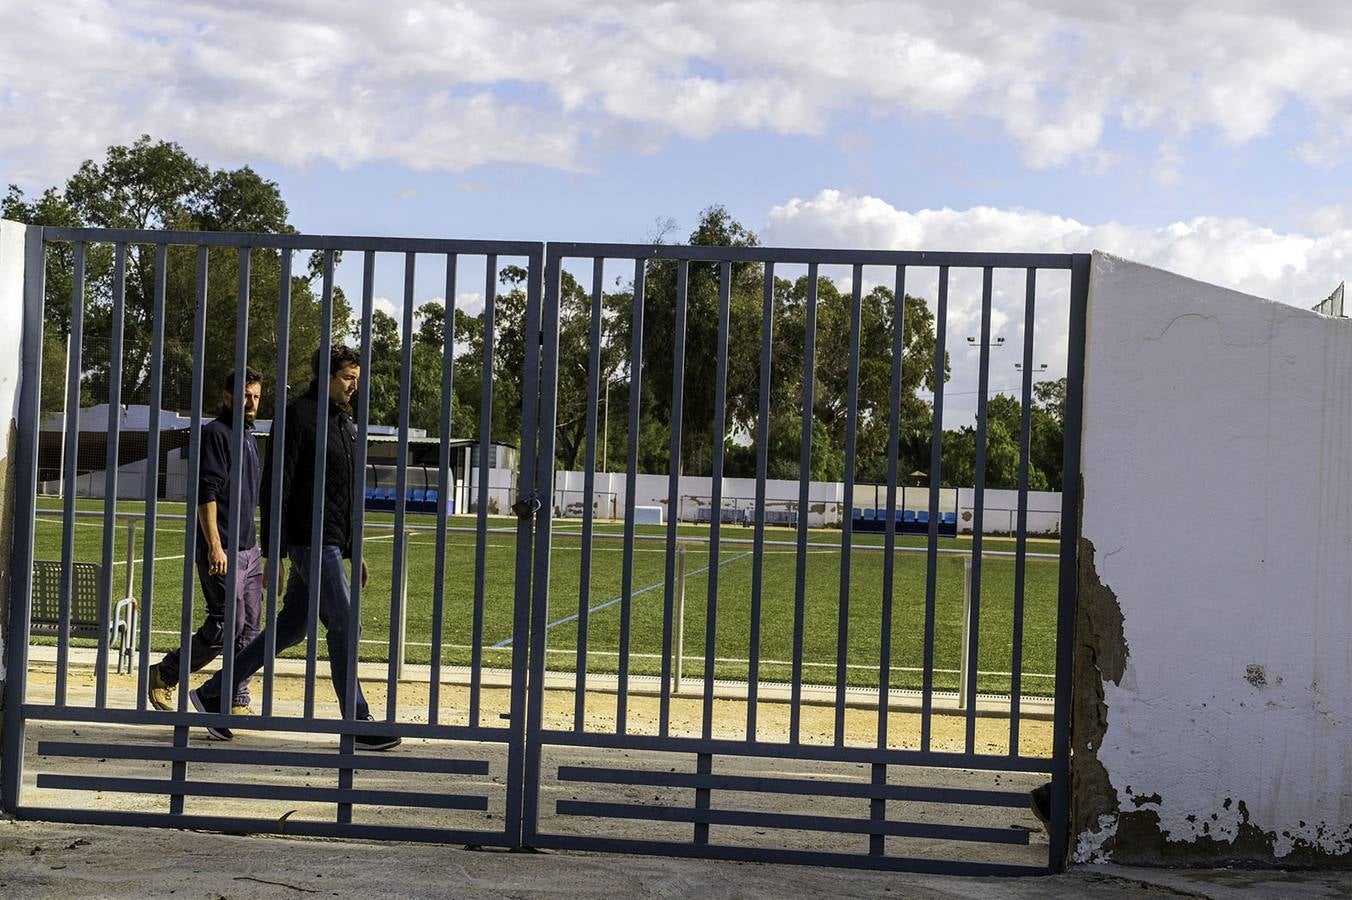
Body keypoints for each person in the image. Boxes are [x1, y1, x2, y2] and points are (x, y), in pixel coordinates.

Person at [190, 343, 399, 751]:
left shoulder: (344, 422)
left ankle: (216, 692)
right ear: (326, 376)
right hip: (309, 541)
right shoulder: (299, 415)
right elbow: (277, 486)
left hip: (333, 542)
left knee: (293, 627)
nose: (353, 386)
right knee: (345, 625)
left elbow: (344, 492)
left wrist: (355, 551)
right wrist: (274, 552)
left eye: (356, 380)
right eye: (347, 379)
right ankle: (357, 720)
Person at [147, 368, 265, 714]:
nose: (251, 402)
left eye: (256, 396)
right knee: (226, 624)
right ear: (228, 396)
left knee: (250, 630)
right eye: (245, 395)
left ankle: (234, 697)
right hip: (224, 548)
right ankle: (165, 674)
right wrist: (214, 545)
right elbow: (207, 492)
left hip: (250, 550)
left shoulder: (248, 435)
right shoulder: (216, 433)